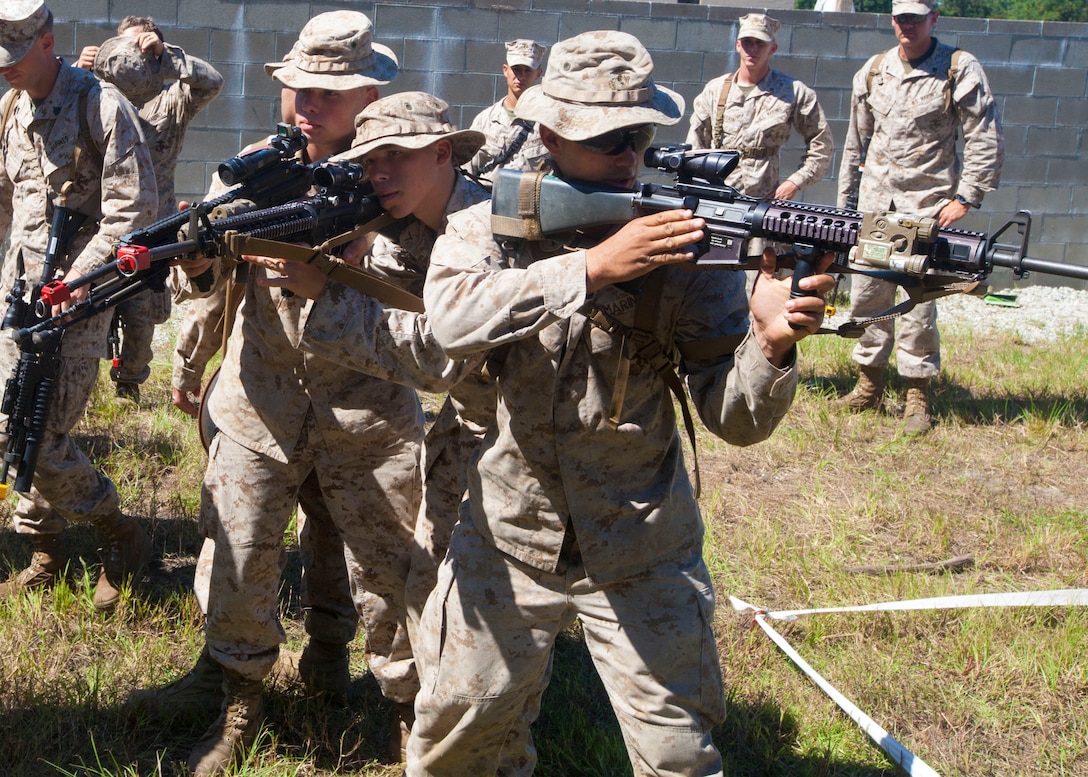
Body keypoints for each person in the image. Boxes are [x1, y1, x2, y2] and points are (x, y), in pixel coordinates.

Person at [408, 30, 835, 776]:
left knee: (679, 756)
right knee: (457, 745)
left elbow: (733, 419)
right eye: (605, 139)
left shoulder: (689, 245)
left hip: (641, 540)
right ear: (547, 134)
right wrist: (594, 268)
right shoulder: (489, 224)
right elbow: (449, 322)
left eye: (637, 136)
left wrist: (768, 345)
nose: (626, 157)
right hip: (510, 532)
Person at [145, 11, 416, 776]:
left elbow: (435, 290)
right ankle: (237, 698)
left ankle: (398, 703)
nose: (309, 104)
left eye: (329, 91)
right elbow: (206, 272)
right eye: (300, 87)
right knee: (236, 548)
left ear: (370, 91)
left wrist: (356, 254)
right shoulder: (257, 165)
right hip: (261, 398)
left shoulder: (406, 171)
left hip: (369, 406)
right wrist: (194, 288)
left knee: (389, 565)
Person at [0, 0, 156, 609]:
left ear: (47, 40)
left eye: (16, 55)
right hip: (21, 291)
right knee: (16, 420)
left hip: (80, 298)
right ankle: (44, 544)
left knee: (44, 433)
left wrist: (78, 282)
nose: (6, 68)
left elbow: (132, 209)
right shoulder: (11, 107)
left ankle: (118, 530)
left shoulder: (101, 105)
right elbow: (7, 200)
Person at [836, 0, 1003, 435]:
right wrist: (846, 204)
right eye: (900, 17)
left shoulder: (957, 68)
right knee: (868, 295)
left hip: (928, 206)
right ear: (892, 20)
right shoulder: (873, 70)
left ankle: (916, 393)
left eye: (916, 17)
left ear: (934, 18)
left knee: (917, 302)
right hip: (877, 206)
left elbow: (984, 133)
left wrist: (967, 197)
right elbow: (856, 143)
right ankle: (869, 383)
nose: (906, 25)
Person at [75, 16, 224, 405]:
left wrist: (168, 58)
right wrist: (76, 73)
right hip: (102, 225)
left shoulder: (173, 99)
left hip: (152, 228)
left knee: (143, 314)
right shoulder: (95, 95)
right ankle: (78, 386)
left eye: (139, 48)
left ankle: (130, 379)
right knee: (89, 308)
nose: (131, 56)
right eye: (123, 47)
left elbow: (212, 82)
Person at [686, 14, 831, 203]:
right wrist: (698, 190)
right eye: (747, 42)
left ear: (773, 48)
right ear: (738, 45)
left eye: (760, 43)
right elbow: (694, 147)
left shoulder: (792, 92)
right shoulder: (715, 90)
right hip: (717, 197)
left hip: (763, 203)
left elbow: (822, 145)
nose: (753, 49)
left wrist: (794, 183)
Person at [463, 39, 548, 183]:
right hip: (485, 200)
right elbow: (466, 172)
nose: (521, 76)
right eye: (516, 69)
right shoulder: (485, 120)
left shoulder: (547, 122)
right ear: (505, 70)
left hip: (527, 202)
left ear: (539, 73)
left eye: (528, 70)